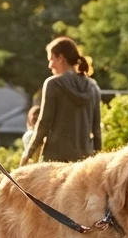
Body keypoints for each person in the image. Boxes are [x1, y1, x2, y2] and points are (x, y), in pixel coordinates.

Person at [21, 36, 102, 164]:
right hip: (85, 162)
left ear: (60, 58)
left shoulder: (53, 84)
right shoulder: (93, 87)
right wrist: (98, 160)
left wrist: (28, 153)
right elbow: (96, 129)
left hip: (55, 162)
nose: (49, 65)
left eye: (51, 59)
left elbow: (44, 124)